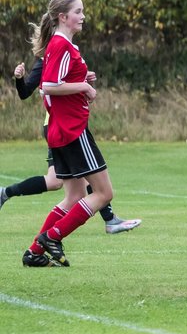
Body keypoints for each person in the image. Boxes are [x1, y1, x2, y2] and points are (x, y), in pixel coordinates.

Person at [20, 0, 120, 267]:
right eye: (78, 11)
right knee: (103, 194)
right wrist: (85, 87)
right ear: (63, 17)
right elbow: (49, 85)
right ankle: (52, 237)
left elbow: (57, 82)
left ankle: (34, 253)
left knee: (74, 195)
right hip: (73, 131)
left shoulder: (59, 45)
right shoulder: (61, 45)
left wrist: (80, 79)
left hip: (61, 130)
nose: (83, 16)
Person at [2, 58, 141, 234]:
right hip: (58, 126)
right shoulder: (46, 60)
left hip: (69, 124)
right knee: (75, 181)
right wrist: (19, 78)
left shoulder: (68, 55)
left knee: (63, 183)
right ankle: (107, 221)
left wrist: (83, 81)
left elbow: (68, 88)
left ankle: (40, 239)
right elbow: (28, 91)